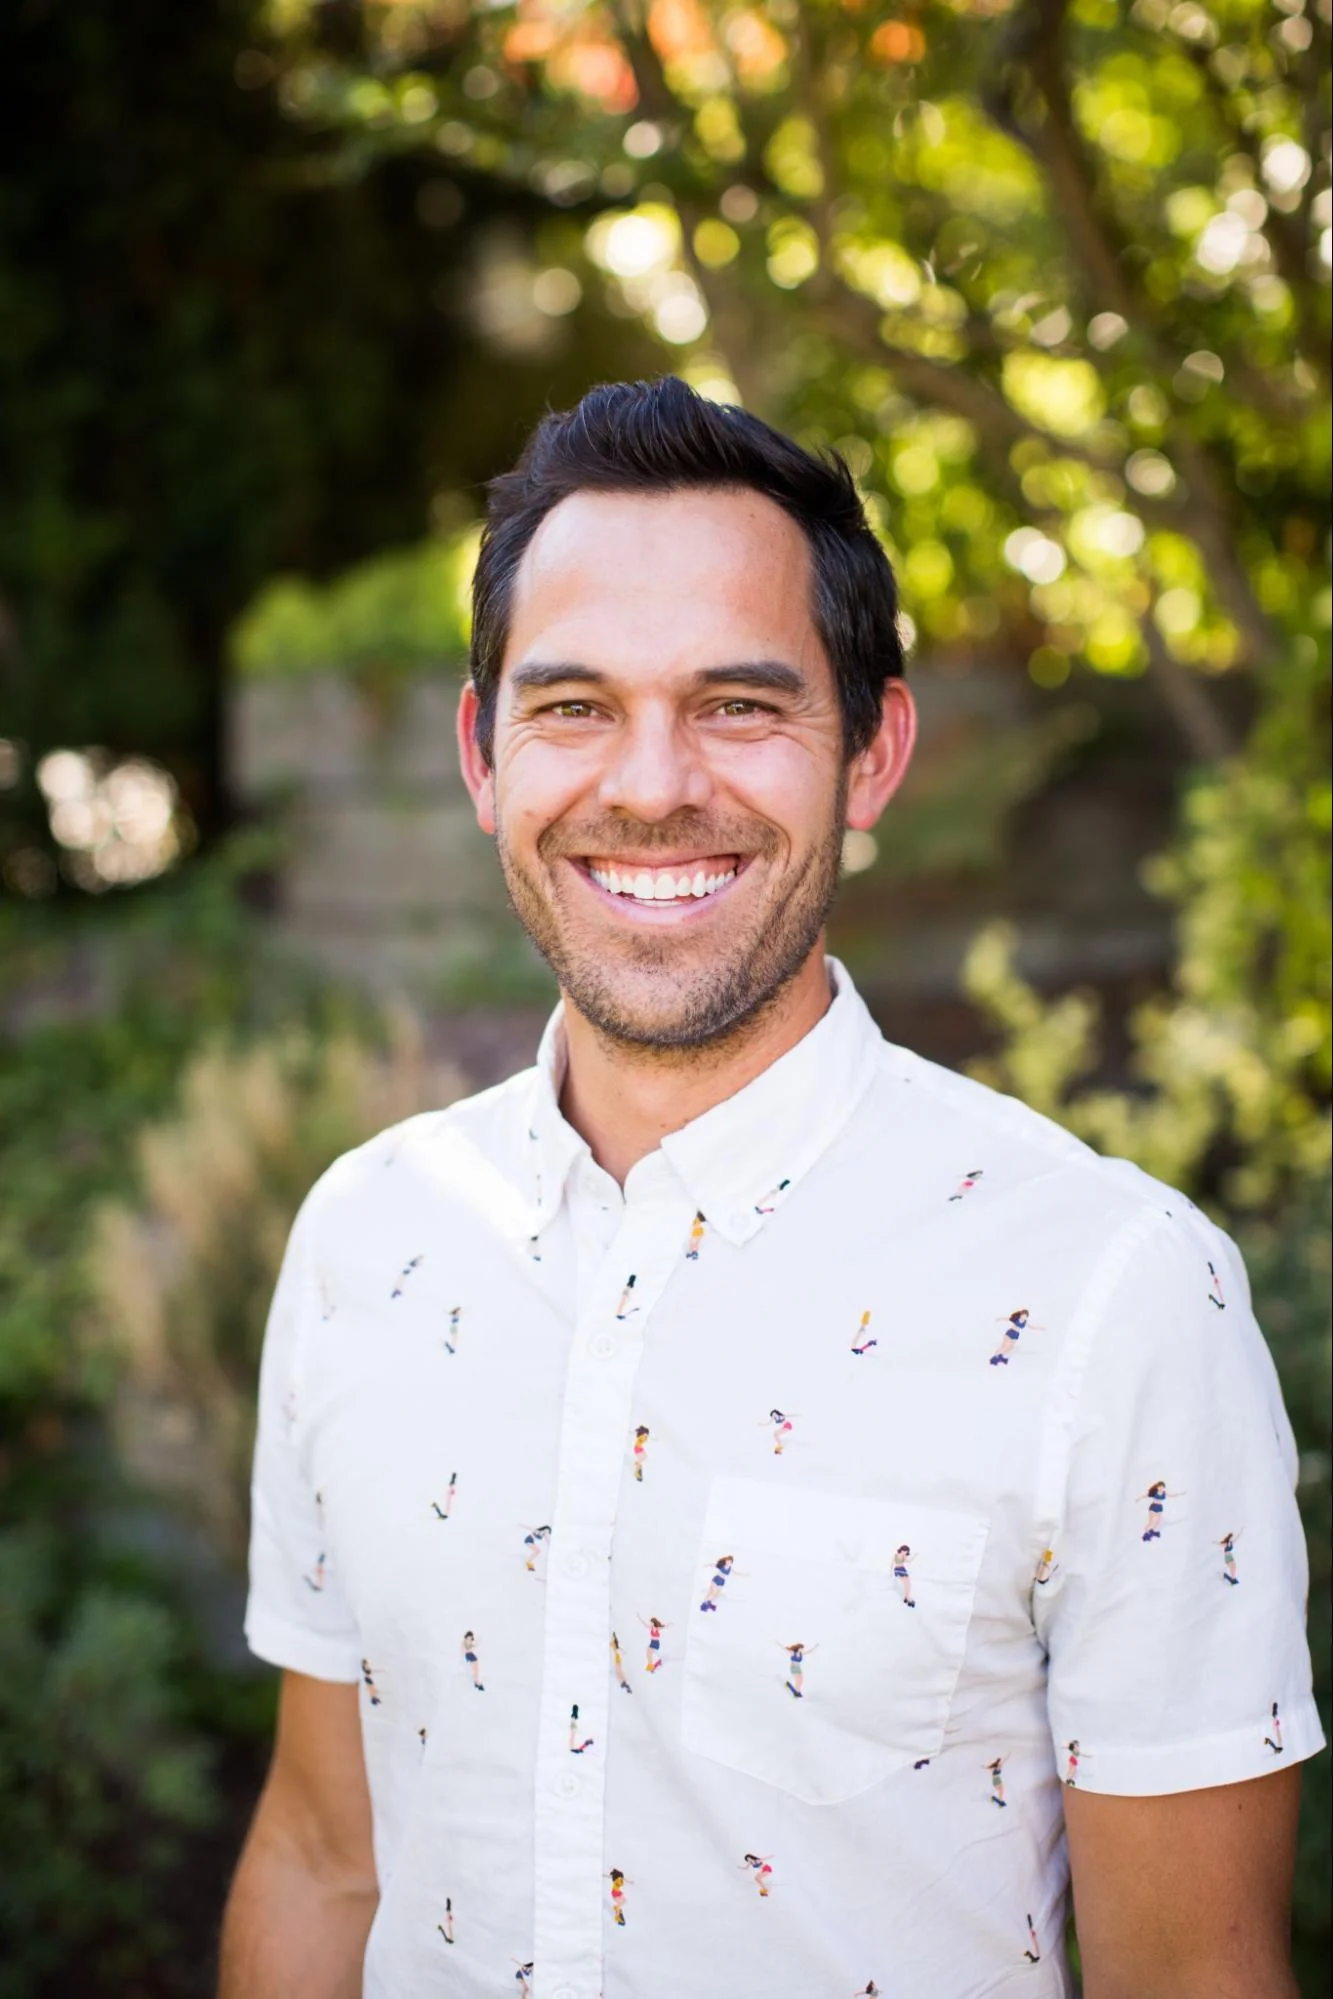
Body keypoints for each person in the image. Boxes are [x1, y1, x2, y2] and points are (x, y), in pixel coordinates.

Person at [220, 377, 1320, 1999]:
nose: (652, 783)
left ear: (871, 752)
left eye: (739, 704)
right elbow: (324, 1853)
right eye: (573, 704)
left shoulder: (1114, 1294)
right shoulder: (364, 1242)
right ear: (482, 754)